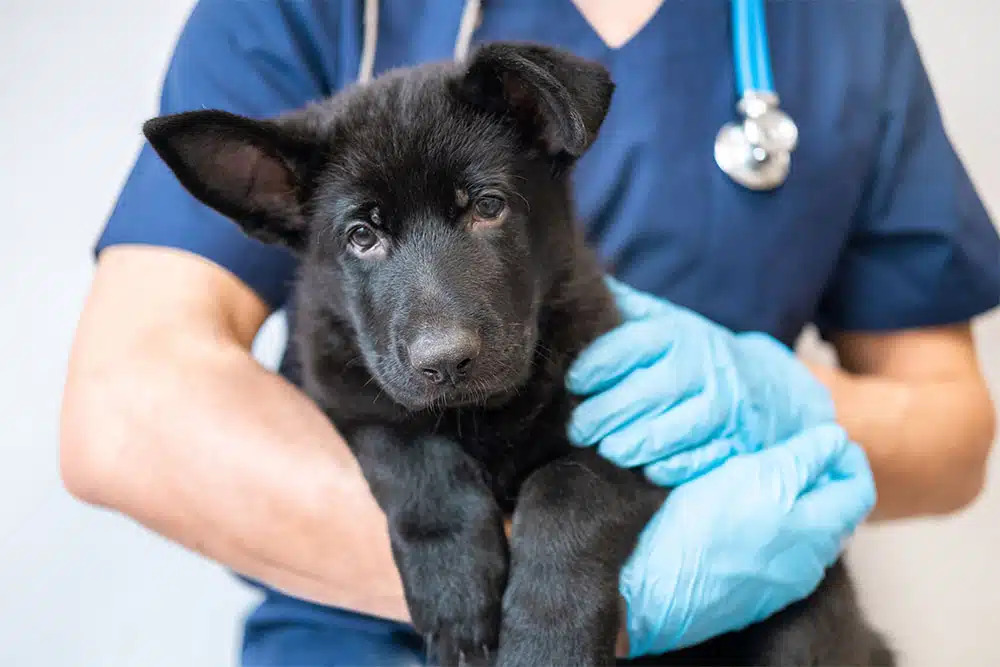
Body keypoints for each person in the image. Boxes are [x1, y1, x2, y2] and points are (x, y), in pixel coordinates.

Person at [60, 0, 999, 664]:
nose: (439, 338)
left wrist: (774, 406)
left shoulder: (841, 23)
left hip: (739, 621)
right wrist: (499, 588)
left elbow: (956, 433)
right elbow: (124, 406)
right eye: (364, 233)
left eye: (483, 208)